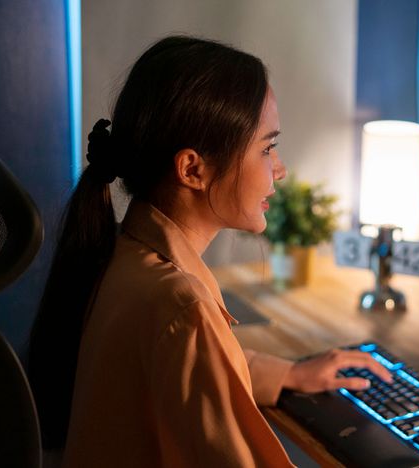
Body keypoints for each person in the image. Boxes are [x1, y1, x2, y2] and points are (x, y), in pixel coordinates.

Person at [27, 36, 391, 468]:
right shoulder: (182, 308)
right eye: (266, 148)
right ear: (192, 169)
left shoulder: (125, 253)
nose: (280, 168)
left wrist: (290, 374)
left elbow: (192, 372)